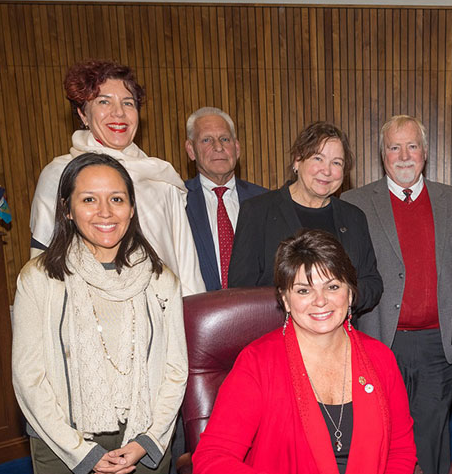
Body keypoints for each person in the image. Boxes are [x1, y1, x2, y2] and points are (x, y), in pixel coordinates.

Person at [193, 229, 416, 474]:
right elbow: (210, 462)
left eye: (332, 286)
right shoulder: (257, 363)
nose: (320, 301)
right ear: (285, 300)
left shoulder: (381, 359)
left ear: (350, 293)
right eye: (303, 290)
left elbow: (401, 449)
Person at [12, 153, 188, 474]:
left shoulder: (161, 279)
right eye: (89, 199)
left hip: (142, 439)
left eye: (117, 199)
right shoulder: (38, 278)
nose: (105, 212)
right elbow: (29, 378)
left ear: (132, 208)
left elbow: (175, 371)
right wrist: (82, 452)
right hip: (62, 443)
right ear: (67, 209)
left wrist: (146, 441)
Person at [342, 115, 452, 474]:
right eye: (394, 147)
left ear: (425, 152)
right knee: (380, 434)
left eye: (412, 146)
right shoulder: (354, 203)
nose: (403, 155)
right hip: (379, 341)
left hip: (438, 346)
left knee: (430, 439)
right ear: (382, 154)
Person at [28, 60, 203, 295]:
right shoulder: (59, 174)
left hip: (160, 312)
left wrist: (190, 320)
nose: (118, 113)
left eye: (128, 103)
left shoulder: (161, 177)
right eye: (104, 102)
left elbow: (186, 266)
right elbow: (43, 268)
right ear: (83, 114)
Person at [225, 122, 382, 314]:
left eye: (337, 163)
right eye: (318, 158)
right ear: (297, 160)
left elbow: (372, 283)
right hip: (277, 334)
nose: (326, 170)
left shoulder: (354, 217)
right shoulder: (258, 211)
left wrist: (344, 296)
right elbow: (240, 291)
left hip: (339, 337)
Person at [183, 106, 269, 292]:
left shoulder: (266, 200)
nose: (218, 147)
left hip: (257, 312)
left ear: (236, 148)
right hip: (197, 315)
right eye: (207, 140)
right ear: (191, 150)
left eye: (224, 139)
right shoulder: (178, 200)